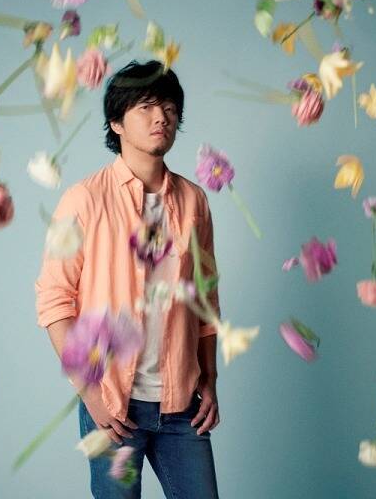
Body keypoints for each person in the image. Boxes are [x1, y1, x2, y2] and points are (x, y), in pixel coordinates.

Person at [35, 60, 220, 498]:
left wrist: (210, 379)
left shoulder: (194, 201)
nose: (162, 118)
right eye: (147, 107)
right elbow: (54, 300)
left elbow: (205, 300)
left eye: (170, 108)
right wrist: (90, 392)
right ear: (116, 122)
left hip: (182, 404)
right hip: (114, 402)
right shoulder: (83, 199)